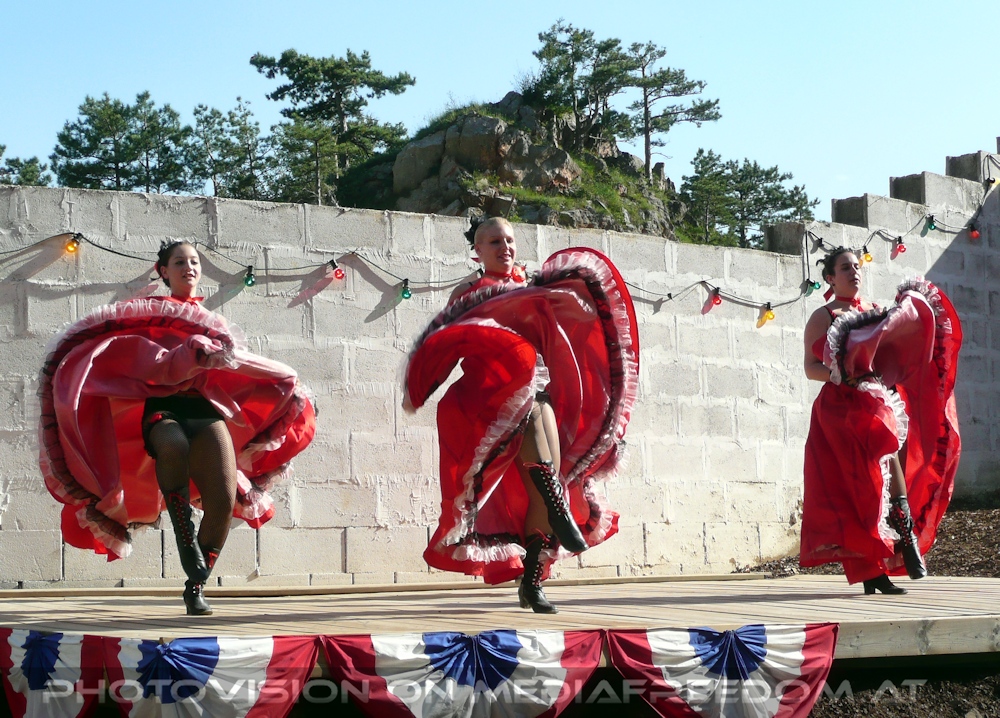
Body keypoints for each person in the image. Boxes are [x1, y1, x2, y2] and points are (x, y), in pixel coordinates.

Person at [38, 241, 316, 615]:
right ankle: (186, 539)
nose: (189, 267)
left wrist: (269, 373)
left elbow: (236, 368)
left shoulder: (215, 325)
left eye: (194, 261)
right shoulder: (148, 315)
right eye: (180, 261)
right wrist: (187, 355)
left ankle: (196, 586)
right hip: (162, 409)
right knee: (172, 444)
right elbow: (143, 363)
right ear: (163, 271)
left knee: (223, 499)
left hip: (203, 411)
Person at [404, 217, 639, 613]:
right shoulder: (468, 294)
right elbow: (449, 344)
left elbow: (573, 323)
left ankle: (532, 581)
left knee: (542, 468)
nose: (505, 247)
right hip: (489, 401)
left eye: (510, 240)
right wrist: (422, 382)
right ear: (477, 251)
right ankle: (558, 508)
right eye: (495, 241)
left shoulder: (532, 287)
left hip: (536, 395)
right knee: (532, 422)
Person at [801, 247, 961, 594]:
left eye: (856, 266)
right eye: (845, 268)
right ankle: (872, 572)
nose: (854, 272)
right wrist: (840, 375)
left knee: (888, 465)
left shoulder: (873, 311)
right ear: (830, 278)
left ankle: (906, 539)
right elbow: (810, 368)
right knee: (858, 490)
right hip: (838, 413)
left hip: (874, 405)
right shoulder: (822, 316)